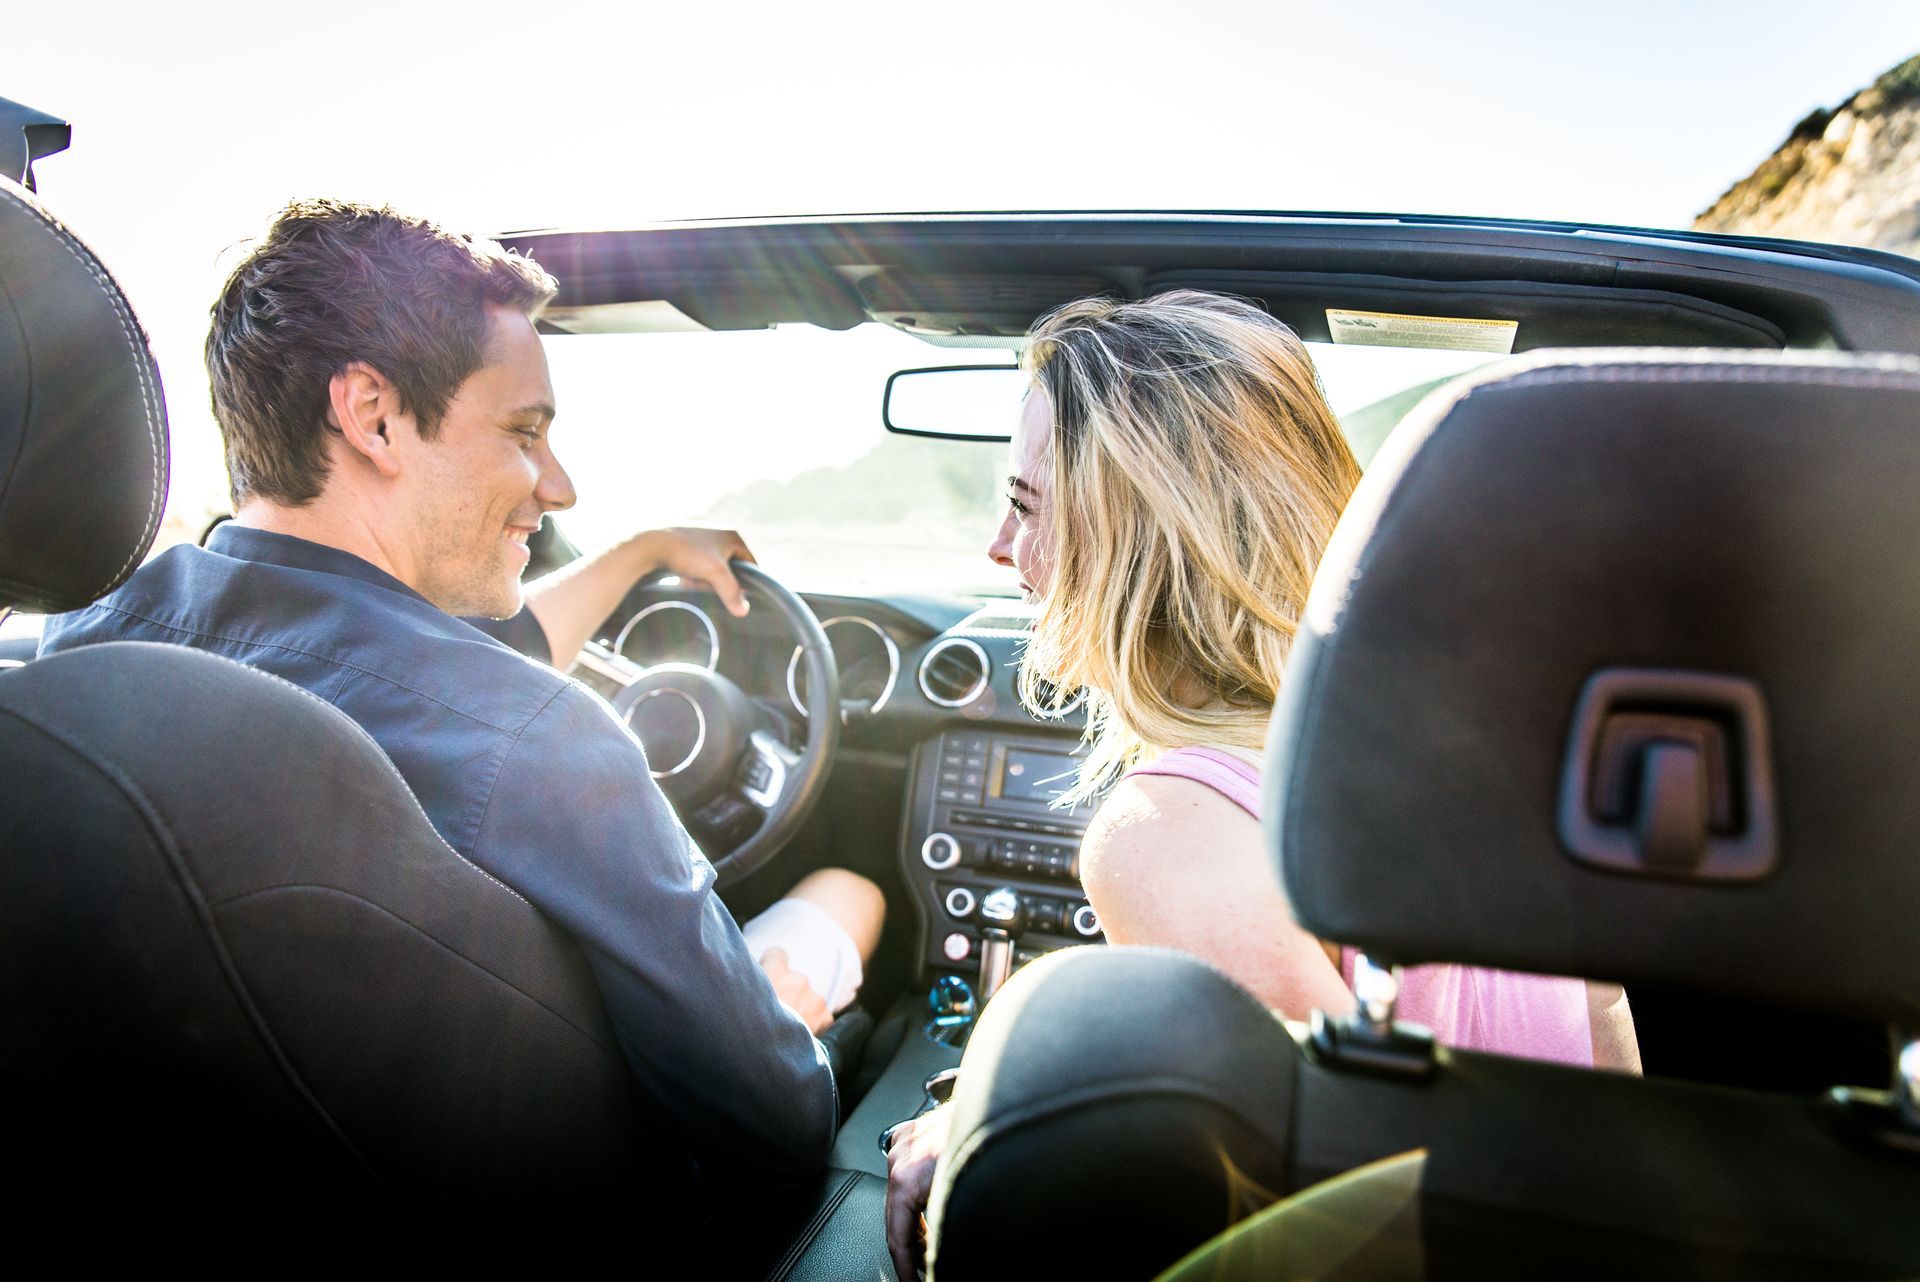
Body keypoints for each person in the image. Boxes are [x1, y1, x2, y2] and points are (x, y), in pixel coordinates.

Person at [39, 198, 884, 1182]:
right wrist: (778, 1017)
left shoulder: (76, 651)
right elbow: (773, 1120)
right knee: (847, 889)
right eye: (525, 432)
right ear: (374, 416)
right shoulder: (542, 743)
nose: (557, 485)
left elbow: (456, 655)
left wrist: (644, 552)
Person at [884, 290, 1638, 1279]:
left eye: (1026, 507)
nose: (996, 548)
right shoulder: (1480, 734)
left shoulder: (1169, 831)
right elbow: (1607, 1055)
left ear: (1139, 546)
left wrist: (988, 1107)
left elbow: (1329, 1210)